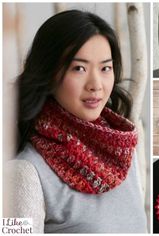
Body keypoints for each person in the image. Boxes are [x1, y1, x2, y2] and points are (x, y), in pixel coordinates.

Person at [6, 10, 147, 233]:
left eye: (105, 68)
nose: (96, 84)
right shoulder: (24, 174)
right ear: (49, 74)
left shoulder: (122, 152)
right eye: (79, 68)